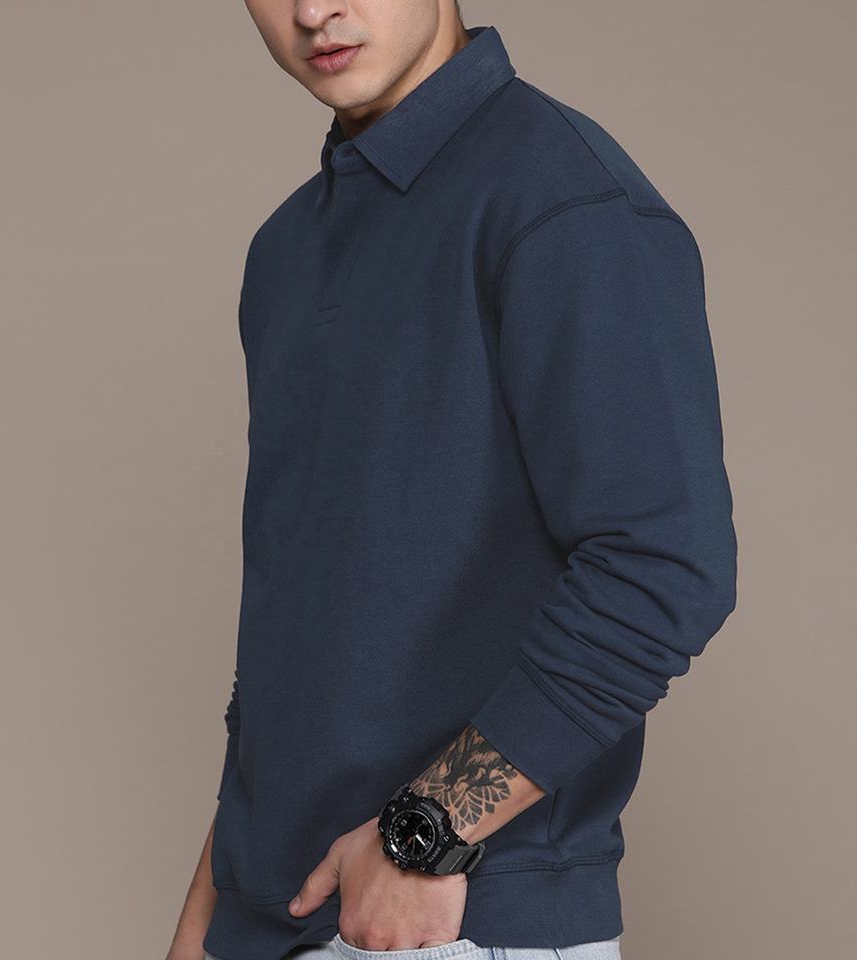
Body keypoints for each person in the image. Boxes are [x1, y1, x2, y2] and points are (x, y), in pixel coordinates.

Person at [166, 3, 738, 960]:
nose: (312, 10)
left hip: (455, 913)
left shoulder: (560, 197)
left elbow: (664, 566)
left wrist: (425, 833)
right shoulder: (286, 249)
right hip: (274, 916)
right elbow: (299, 641)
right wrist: (207, 918)